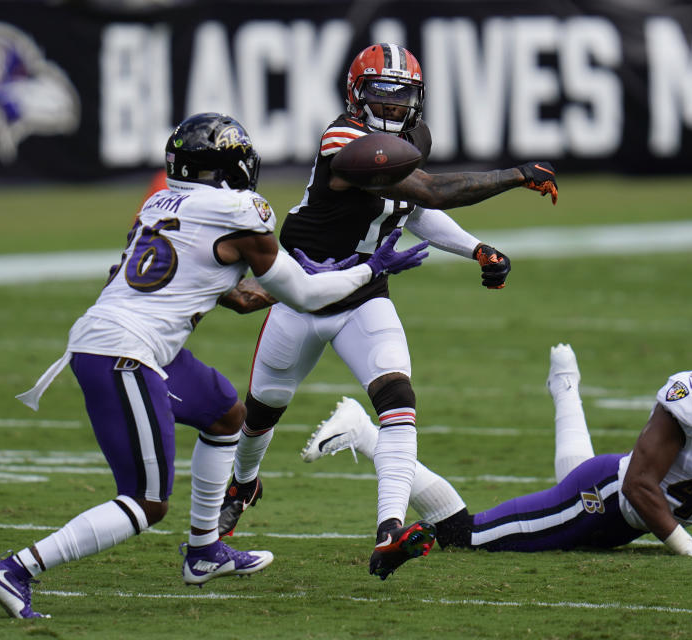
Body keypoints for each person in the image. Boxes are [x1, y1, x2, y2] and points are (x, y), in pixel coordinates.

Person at [0, 112, 429, 619]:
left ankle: (204, 551)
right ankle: (17, 568)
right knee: (147, 502)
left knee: (224, 413)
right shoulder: (239, 209)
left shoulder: (159, 201)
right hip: (126, 353)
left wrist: (328, 273)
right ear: (233, 166)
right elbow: (300, 294)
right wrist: (369, 268)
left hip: (125, 340)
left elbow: (237, 297)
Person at [216, 43, 560, 580]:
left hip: (363, 292)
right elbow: (432, 190)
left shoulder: (402, 143)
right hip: (302, 289)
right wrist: (515, 175)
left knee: (398, 402)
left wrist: (476, 249)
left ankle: (390, 529)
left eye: (404, 97)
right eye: (383, 93)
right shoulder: (345, 142)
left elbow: (414, 209)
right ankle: (243, 482)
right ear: (356, 95)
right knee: (260, 415)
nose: (395, 107)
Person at [302, 311, 692, 557]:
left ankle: (565, 385)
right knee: (464, 538)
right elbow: (641, 486)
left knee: (572, 478)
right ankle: (368, 434)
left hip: (623, 506)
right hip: (602, 500)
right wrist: (690, 548)